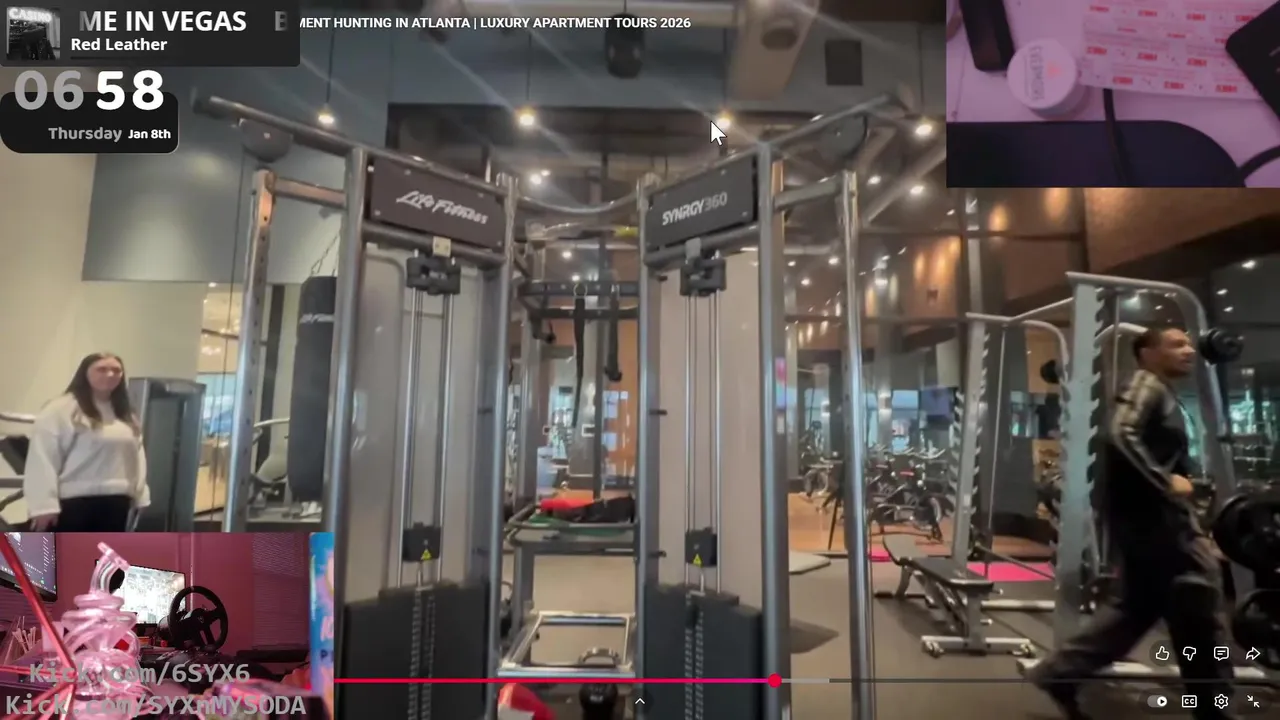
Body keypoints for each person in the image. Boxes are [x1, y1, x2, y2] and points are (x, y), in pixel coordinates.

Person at [1028, 326, 1236, 720]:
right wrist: (1165, 481)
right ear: (1147, 353)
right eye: (1175, 344)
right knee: (1201, 609)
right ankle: (1216, 710)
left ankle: (1061, 673)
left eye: (1188, 343)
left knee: (1136, 610)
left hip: (1147, 523)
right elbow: (1120, 433)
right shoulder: (1147, 385)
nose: (1188, 350)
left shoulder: (1159, 391)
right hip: (1162, 524)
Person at [23, 352, 150, 532]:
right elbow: (43, 457)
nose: (110, 374)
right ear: (85, 373)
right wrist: (43, 506)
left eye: (116, 370)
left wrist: (141, 495)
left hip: (117, 502)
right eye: (101, 369)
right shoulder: (62, 409)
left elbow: (137, 458)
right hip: (73, 504)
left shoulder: (125, 414)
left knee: (102, 551)